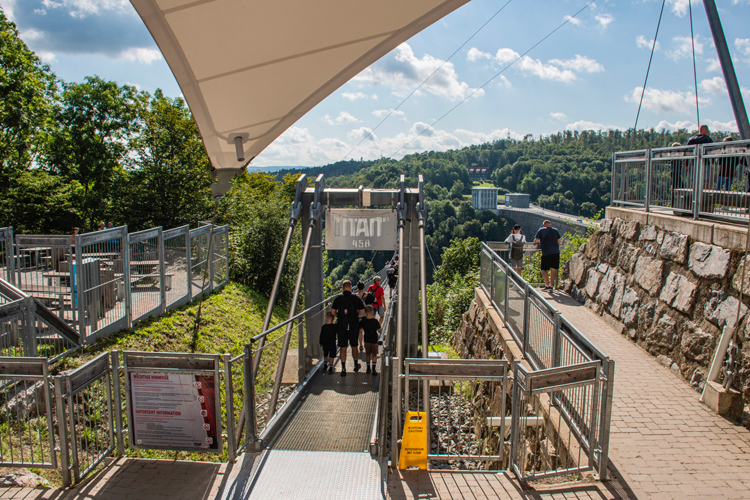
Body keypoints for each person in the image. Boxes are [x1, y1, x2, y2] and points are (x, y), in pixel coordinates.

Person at [331, 280, 365, 376]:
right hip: (353, 325)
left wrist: (339, 316)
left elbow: (333, 312)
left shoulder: (338, 298)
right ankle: (355, 365)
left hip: (341, 325)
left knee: (343, 347)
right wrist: (356, 316)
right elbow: (362, 310)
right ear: (351, 287)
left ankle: (343, 368)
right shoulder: (356, 297)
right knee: (354, 346)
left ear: (342, 287)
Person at [534, 220, 561, 291]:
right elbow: (559, 241)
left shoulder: (541, 230)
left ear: (544, 225)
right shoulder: (555, 230)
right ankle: (552, 286)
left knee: (544, 269)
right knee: (553, 268)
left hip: (546, 252)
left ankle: (547, 285)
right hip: (555, 252)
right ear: (550, 225)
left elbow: (536, 241)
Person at [359, 306, 381, 376]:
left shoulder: (363, 321)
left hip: (367, 340)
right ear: (372, 312)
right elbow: (379, 330)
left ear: (365, 313)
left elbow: (360, 329)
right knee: (374, 355)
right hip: (374, 340)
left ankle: (368, 368)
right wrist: (382, 336)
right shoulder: (375, 321)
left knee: (368, 354)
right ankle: (374, 369)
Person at [356, 281, 367, 352]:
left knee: (360, 331)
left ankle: (360, 345)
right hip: (365, 315)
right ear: (364, 287)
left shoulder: (355, 296)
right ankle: (366, 344)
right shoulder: (367, 295)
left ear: (357, 288)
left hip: (358, 315)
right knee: (366, 330)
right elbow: (374, 301)